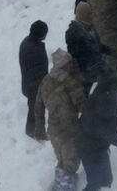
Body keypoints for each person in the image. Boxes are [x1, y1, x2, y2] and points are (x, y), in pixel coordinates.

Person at [35, 48, 86, 191]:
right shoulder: (69, 81)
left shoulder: (45, 81)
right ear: (63, 65)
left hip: (54, 129)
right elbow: (81, 104)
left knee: (63, 161)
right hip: (69, 129)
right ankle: (66, 187)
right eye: (69, 62)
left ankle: (60, 186)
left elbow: (38, 104)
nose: (71, 65)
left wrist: (39, 125)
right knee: (71, 163)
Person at [20, 20, 49, 138]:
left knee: (34, 110)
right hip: (34, 87)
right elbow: (38, 71)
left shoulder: (28, 42)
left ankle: (33, 131)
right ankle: (35, 133)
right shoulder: (34, 49)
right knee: (36, 111)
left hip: (30, 85)